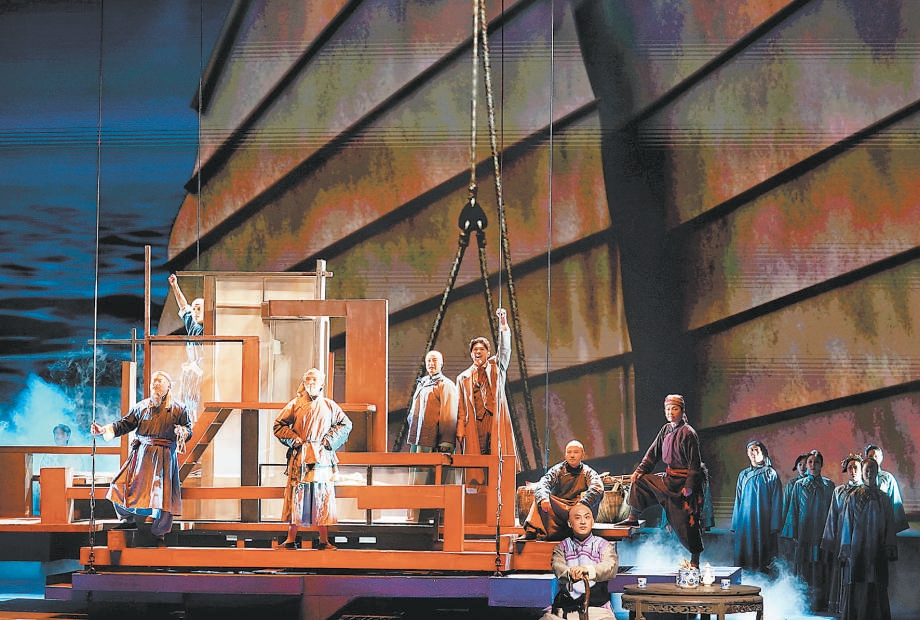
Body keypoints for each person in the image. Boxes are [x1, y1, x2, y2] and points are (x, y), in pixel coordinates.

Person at [90, 370, 192, 547]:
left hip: (165, 458)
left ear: (169, 386)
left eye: (160, 381)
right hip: (142, 456)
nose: (155, 384)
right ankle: (127, 519)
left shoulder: (179, 408)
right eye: (153, 381)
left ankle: (160, 533)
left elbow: (188, 429)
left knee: (163, 495)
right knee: (120, 484)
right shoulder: (141, 407)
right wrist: (104, 430)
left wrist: (181, 432)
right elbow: (124, 424)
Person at [617, 394, 705, 567]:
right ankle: (633, 516)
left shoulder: (688, 433)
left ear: (682, 411)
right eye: (668, 409)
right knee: (640, 481)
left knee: (687, 523)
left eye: (674, 409)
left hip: (683, 483)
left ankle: (695, 560)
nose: (670, 412)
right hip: (668, 479)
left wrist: (689, 486)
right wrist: (640, 470)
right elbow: (652, 453)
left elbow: (694, 464)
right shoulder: (665, 430)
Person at [274, 368, 352, 550]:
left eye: (314, 380)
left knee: (321, 496)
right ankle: (290, 540)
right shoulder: (295, 404)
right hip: (301, 457)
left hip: (321, 458)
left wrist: (329, 440)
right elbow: (278, 425)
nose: (310, 383)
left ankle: (324, 540)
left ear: (321, 384)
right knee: (297, 496)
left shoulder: (329, 405)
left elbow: (346, 424)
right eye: (307, 380)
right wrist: (293, 439)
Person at [834, 456, 898, 620]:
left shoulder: (884, 498)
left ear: (877, 472)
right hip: (858, 549)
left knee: (877, 581)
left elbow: (889, 526)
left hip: (878, 548)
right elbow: (847, 525)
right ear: (863, 473)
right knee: (858, 581)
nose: (869, 473)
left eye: (872, 470)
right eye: (866, 470)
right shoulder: (853, 497)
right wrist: (845, 550)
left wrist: (889, 547)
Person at [456, 307, 515, 483]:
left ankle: (497, 487)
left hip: (494, 419)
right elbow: (460, 407)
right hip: (475, 423)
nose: (478, 351)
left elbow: (505, 349)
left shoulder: (497, 367)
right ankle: (480, 490)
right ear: (471, 354)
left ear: (488, 353)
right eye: (475, 349)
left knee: (497, 455)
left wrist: (503, 322)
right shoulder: (463, 378)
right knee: (478, 461)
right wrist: (460, 428)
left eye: (482, 349)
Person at [540, 502, 619, 620]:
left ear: (592, 522)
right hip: (565, 610)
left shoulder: (604, 546)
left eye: (587, 517)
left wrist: (587, 570)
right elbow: (558, 566)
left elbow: (610, 566)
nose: (583, 522)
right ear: (569, 523)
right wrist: (570, 573)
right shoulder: (562, 547)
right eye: (577, 518)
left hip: (597, 610)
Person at [405, 350, 459, 522]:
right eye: (428, 361)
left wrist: (446, 442)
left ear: (442, 363)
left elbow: (449, 414)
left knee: (433, 478)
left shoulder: (446, 385)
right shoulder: (423, 383)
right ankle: (416, 515)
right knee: (418, 478)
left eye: (435, 360)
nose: (431, 364)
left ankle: (435, 517)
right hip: (419, 440)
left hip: (434, 442)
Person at [782, 449, 835, 611]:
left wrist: (832, 534)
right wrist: (793, 533)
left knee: (821, 567)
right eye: (810, 462)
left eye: (816, 462)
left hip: (822, 533)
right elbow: (793, 509)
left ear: (821, 465)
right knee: (804, 567)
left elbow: (833, 511)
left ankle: (820, 603)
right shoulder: (799, 485)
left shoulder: (829, 485)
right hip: (804, 533)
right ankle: (803, 604)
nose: (812, 465)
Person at [523, 440, 604, 541]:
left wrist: (583, 503)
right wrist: (544, 499)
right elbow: (543, 483)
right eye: (569, 452)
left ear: (582, 455)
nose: (572, 455)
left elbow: (597, 487)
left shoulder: (588, 472)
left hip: (579, 508)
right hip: (561, 508)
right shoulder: (558, 470)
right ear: (565, 455)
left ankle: (578, 533)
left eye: (576, 452)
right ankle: (530, 531)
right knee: (540, 496)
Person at [822, 453, 865, 615]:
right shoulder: (838, 491)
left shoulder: (866, 492)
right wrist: (829, 542)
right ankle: (841, 607)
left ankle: (858, 608)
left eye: (856, 467)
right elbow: (832, 517)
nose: (853, 471)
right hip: (841, 538)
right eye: (850, 467)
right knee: (841, 572)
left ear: (862, 469)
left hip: (861, 540)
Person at [731, 440, 782, 574]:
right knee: (744, 554)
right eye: (750, 450)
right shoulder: (743, 475)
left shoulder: (771, 474)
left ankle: (763, 582)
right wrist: (736, 524)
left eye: (756, 450)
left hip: (762, 523)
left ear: (763, 452)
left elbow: (776, 500)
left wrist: (774, 526)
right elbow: (738, 500)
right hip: (745, 524)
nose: (753, 453)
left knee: (762, 555)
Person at [167, 273, 204, 422]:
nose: (195, 312)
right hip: (191, 376)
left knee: (197, 409)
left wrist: (196, 366)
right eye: (194, 309)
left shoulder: (212, 328)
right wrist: (175, 286)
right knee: (186, 407)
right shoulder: (192, 324)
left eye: (198, 309)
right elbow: (184, 306)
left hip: (203, 377)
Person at [865, 444, 909, 533]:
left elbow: (895, 500)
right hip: (865, 524)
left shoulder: (887, 478)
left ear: (881, 458)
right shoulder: (862, 478)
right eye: (871, 456)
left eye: (876, 456)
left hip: (884, 523)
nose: (873, 459)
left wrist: (895, 527)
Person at [779, 452, 809, 563]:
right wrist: (784, 527)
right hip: (793, 523)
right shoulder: (792, 484)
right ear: (796, 467)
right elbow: (785, 506)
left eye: (805, 464)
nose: (803, 467)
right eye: (800, 464)